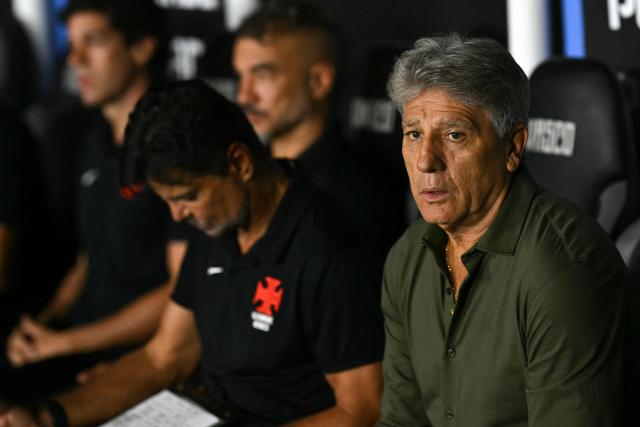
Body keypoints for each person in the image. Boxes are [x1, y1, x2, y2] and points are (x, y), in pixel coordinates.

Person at [0, 80, 384, 426]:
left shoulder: (329, 252)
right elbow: (163, 357)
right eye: (168, 202)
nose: (178, 216)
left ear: (239, 163)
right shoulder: (216, 222)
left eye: (187, 197)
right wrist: (47, 417)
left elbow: (363, 408)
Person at [379, 34, 627, 426]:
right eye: (414, 134)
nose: (426, 160)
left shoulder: (562, 270)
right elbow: (401, 420)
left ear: (512, 148)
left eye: (454, 134)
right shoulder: (406, 257)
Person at [1, 0, 189, 400]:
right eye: (72, 44)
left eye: (93, 41)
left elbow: (185, 289)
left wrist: (66, 343)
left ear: (141, 48)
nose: (76, 59)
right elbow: (89, 260)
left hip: (134, 356)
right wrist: (42, 327)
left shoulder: (174, 149)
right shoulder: (91, 141)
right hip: (76, 344)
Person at [232, 0, 406, 268]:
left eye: (263, 75)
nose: (244, 95)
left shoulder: (357, 195)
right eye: (240, 76)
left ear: (319, 81)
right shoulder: (239, 174)